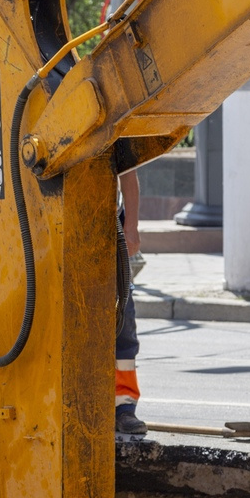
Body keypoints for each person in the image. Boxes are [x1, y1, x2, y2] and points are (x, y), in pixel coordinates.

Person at [115, 171, 148, 435]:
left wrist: (131, 227)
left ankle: (124, 406)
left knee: (122, 322)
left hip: (109, 225)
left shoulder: (112, 132)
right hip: (58, 227)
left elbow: (128, 175)